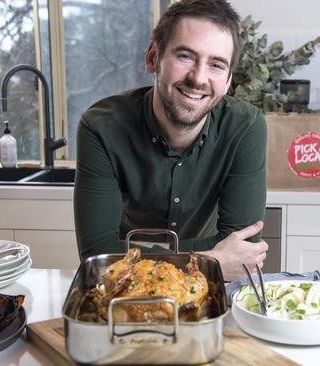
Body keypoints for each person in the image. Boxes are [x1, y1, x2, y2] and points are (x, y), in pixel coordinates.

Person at [74, 0, 267, 280]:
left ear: (227, 81)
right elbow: (96, 254)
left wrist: (132, 253)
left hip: (202, 286)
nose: (198, 77)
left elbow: (242, 249)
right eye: (185, 56)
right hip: (128, 285)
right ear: (153, 57)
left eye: (216, 64)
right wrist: (209, 260)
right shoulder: (101, 127)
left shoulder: (245, 127)